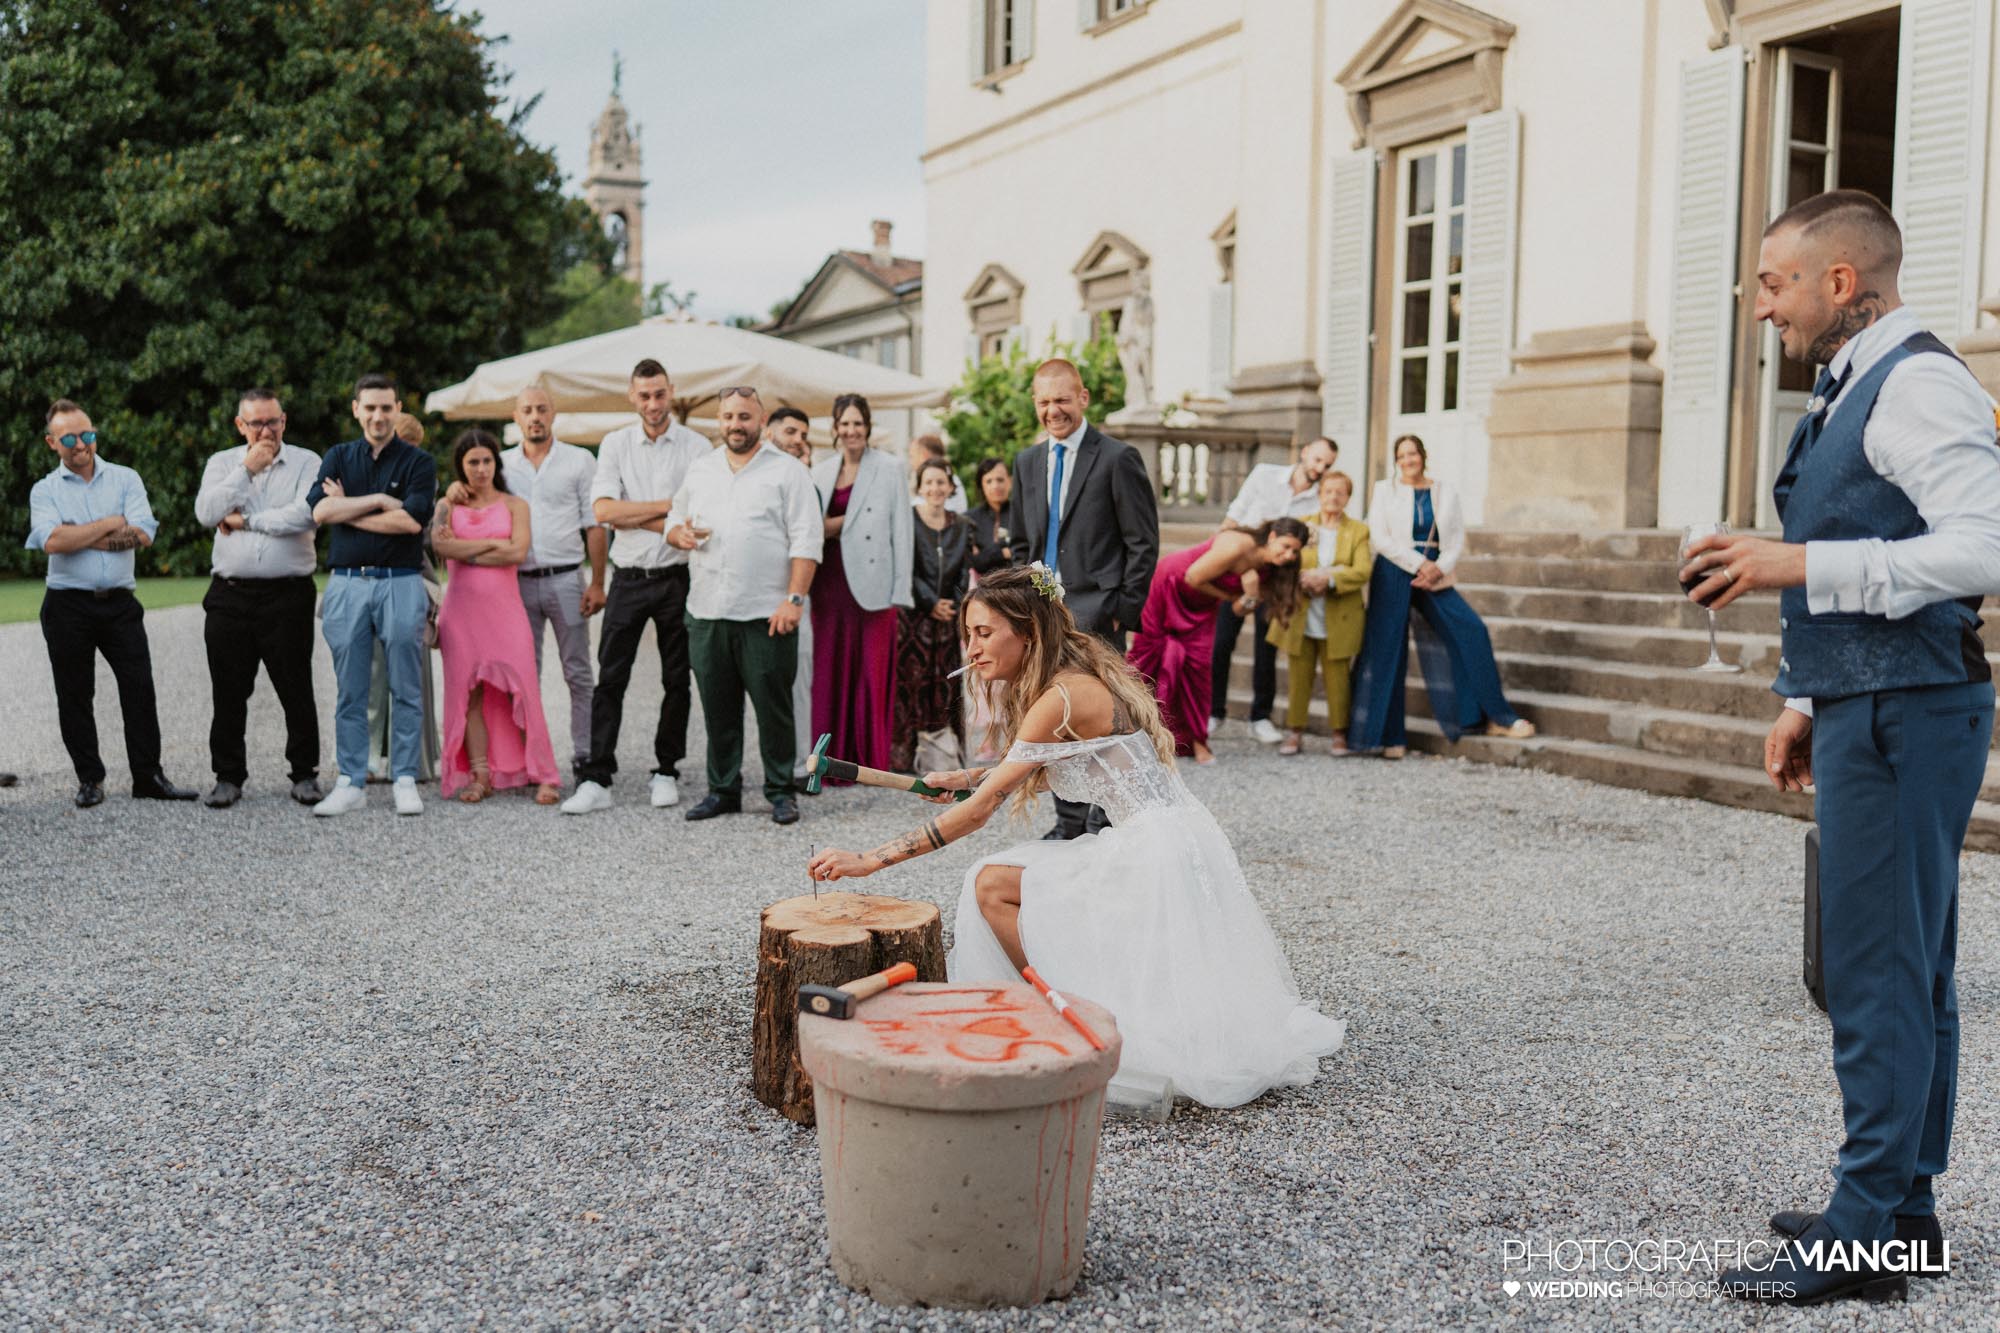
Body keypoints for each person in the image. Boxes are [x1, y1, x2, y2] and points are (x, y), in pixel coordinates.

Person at [1691, 192, 2000, 1307]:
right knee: (1906, 966)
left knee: (1870, 970)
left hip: (1912, 712)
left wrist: (1793, 567)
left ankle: (1861, 1227)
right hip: (1876, 703)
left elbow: (1981, 546)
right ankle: (1901, 1211)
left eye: (1772, 282)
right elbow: (1879, 536)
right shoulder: (1851, 379)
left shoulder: (1914, 378)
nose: (1758, 304)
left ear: (1836, 282)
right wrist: (1803, 697)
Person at [807, 566, 1344, 1108]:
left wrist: (868, 860)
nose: (970, 647)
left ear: (1029, 633)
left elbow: (977, 815)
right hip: (1178, 837)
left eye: (984, 633)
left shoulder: (1059, 698)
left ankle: (1061, 1010)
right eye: (968, 633)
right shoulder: (1067, 681)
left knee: (989, 885)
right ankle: (1064, 1000)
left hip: (1152, 849)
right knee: (1003, 882)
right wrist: (966, 778)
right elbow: (1041, 767)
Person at [1004, 358, 1160, 838]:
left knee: (1104, 721)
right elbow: (1022, 542)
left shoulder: (1117, 458)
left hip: (1099, 615)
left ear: (1084, 398)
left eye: (1062, 400)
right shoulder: (1027, 462)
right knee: (1052, 719)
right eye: (1044, 402)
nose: (1054, 410)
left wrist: (1121, 611)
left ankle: (1108, 818)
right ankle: (1069, 822)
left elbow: (1143, 542)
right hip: (1042, 620)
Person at [25, 399, 195, 807]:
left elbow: (144, 534)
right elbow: (51, 542)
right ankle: (90, 778)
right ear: (53, 442)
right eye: (69, 437)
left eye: (88, 434)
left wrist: (78, 534)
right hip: (67, 606)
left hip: (120, 603)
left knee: (139, 687)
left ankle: (148, 776)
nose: (81, 444)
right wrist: (110, 524)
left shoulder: (125, 478)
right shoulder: (44, 490)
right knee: (75, 693)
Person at [666, 388, 822, 824]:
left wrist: (794, 599)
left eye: (744, 416)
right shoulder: (701, 470)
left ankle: (779, 790)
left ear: (762, 419)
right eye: (728, 416)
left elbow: (807, 539)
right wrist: (676, 534)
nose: (736, 424)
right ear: (719, 420)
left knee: (773, 707)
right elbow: (673, 519)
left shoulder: (788, 472)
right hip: (707, 611)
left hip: (767, 613)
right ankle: (723, 790)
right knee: (718, 707)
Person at [563, 359, 709, 815]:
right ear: (631, 396)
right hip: (628, 577)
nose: (652, 403)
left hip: (677, 577)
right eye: (644, 395)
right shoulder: (614, 444)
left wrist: (635, 513)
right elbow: (604, 511)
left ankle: (666, 769)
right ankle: (597, 776)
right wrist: (668, 511)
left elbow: (697, 513)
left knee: (676, 680)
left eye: (659, 394)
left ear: (671, 391)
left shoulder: (697, 446)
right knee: (611, 677)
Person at [1348, 435, 1533, 758]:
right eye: (1402, 455)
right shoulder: (1384, 490)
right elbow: (1379, 536)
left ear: (1423, 456)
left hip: (1436, 572)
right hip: (1394, 570)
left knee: (1471, 629)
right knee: (1388, 650)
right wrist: (1418, 563)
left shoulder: (1444, 491)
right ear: (1396, 461)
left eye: (1413, 453)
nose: (1408, 460)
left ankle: (1493, 716)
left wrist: (1439, 567)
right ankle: (1389, 737)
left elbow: (1457, 537)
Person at [308, 373, 437, 816]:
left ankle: (404, 776)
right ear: (356, 409)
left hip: (400, 581)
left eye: (387, 407)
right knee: (350, 688)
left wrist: (352, 509)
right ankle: (351, 780)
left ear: (398, 409)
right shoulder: (339, 456)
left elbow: (412, 524)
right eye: (371, 407)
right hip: (347, 582)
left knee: (405, 683)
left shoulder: (419, 463)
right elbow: (322, 511)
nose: (379, 416)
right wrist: (381, 499)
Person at [191, 388, 323, 807]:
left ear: (284, 420)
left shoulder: (308, 462)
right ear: (240, 425)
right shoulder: (222, 464)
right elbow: (207, 513)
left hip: (288, 593)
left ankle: (304, 773)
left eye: (273, 421)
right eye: (256, 423)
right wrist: (246, 471)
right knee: (228, 691)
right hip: (231, 593)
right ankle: (228, 775)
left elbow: (304, 515)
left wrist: (244, 521)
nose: (266, 431)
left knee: (295, 686)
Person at [430, 430, 561, 805]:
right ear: (461, 466)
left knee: (524, 688)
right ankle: (480, 774)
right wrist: (490, 544)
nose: (481, 468)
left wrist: (464, 550)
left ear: (496, 464)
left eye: (487, 460)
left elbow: (516, 552)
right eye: (473, 462)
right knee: (466, 693)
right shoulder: (447, 505)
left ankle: (543, 773)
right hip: (462, 613)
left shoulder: (515, 505)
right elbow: (439, 545)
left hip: (505, 611)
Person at [1128, 519, 1308, 763]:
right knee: (1148, 660)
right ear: (1273, 536)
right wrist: (1230, 595)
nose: (1289, 555)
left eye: (1295, 552)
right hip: (1169, 587)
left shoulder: (1271, 570)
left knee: (1198, 668)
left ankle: (1195, 741)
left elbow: (1237, 610)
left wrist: (1251, 595)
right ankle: (1131, 733)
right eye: (1286, 546)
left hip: (1201, 607)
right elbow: (1193, 576)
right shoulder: (1238, 545)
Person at [496, 386, 607, 776]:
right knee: (524, 672)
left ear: (553, 413)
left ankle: (585, 753)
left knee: (578, 671)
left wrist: (596, 582)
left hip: (566, 579)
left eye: (542, 409)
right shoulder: (502, 466)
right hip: (518, 582)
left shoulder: (579, 461)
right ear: (516, 417)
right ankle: (528, 756)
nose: (535, 416)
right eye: (527, 410)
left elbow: (593, 524)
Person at [810, 393, 912, 778]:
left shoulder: (889, 467)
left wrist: (900, 591)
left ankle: (870, 764)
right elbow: (808, 527)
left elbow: (902, 531)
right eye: (845, 424)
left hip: (875, 584)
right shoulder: (820, 470)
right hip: (828, 581)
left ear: (867, 427)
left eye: (858, 423)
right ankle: (827, 762)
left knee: (871, 674)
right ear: (835, 428)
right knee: (829, 671)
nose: (851, 430)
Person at [1211, 437, 1338, 744]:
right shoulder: (1265, 474)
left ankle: (1261, 717)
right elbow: (1234, 516)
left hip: (1278, 575)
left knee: (1267, 646)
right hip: (1241, 563)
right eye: (1317, 460)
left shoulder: (1318, 498)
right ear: (1305, 452)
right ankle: (1214, 712)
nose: (1320, 469)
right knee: (1222, 640)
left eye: (1327, 465)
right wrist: (1227, 559)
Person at [363, 411, 443, 784]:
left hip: (410, 575)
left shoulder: (425, 476)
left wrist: (367, 511)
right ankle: (368, 756)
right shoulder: (361, 467)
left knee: (412, 673)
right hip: (366, 573)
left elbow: (417, 524)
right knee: (368, 672)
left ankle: (414, 760)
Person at [1268, 471, 1372, 756]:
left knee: (1337, 678)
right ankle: (1295, 732)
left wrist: (1328, 578)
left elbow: (1362, 570)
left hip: (1338, 615)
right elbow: (1285, 561)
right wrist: (1304, 577)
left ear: (1348, 498)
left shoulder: (1358, 531)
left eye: (1340, 492)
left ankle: (1339, 734)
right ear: (1320, 494)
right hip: (1302, 612)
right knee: (1298, 676)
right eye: (1328, 491)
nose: (1333, 497)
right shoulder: (1304, 527)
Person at [892, 458, 973, 772]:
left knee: (947, 684)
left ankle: (945, 757)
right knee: (910, 684)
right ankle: (903, 756)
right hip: (914, 618)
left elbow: (965, 570)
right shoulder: (908, 521)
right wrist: (930, 603)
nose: (935, 488)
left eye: (941, 482)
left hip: (948, 619)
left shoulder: (963, 525)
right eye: (929, 482)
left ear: (950, 486)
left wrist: (952, 604)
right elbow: (905, 567)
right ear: (920, 486)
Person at [765, 406, 818, 778]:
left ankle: (799, 767)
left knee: (798, 681)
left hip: (797, 593)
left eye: (803, 434)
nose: (799, 440)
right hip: (753, 594)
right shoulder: (752, 478)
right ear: (770, 435)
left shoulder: (807, 481)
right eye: (790, 432)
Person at [966, 456, 1015, 579]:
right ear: (981, 485)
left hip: (1018, 587)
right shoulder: (970, 519)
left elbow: (1025, 553)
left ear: (1010, 481)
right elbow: (975, 562)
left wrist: (986, 554)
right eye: (989, 481)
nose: (995, 486)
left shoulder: (1022, 514)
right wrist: (1003, 552)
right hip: (982, 590)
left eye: (1000, 480)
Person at [905, 433, 968, 512]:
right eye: (928, 482)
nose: (911, 462)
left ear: (924, 455)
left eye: (912, 456)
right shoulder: (952, 478)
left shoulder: (951, 480)